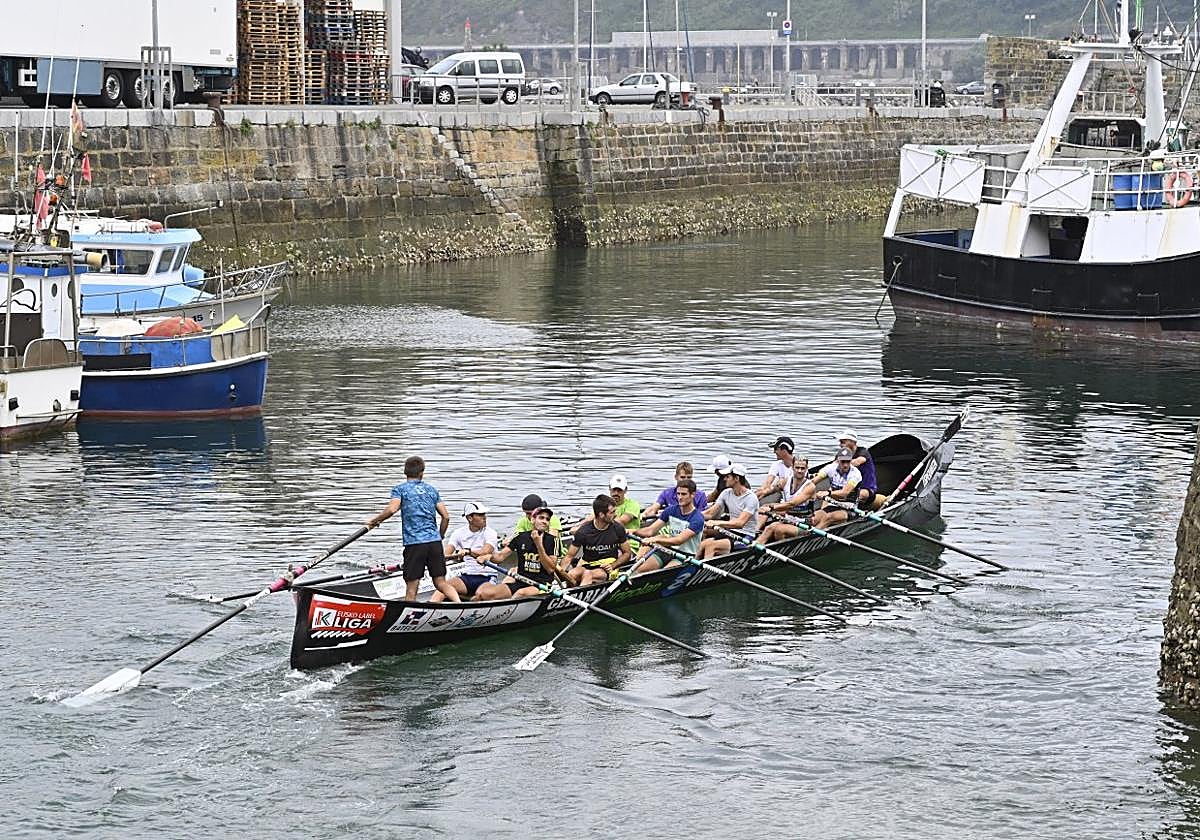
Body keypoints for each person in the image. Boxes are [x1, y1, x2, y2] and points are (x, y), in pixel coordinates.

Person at [366, 455, 458, 602]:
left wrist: (374, 521)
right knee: (440, 583)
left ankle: (410, 613)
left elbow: (391, 510)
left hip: (415, 544)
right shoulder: (431, 490)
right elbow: (446, 517)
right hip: (434, 543)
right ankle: (458, 605)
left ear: (405, 472)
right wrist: (439, 536)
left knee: (411, 587)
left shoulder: (400, 490)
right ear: (422, 472)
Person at [474, 505, 562, 600]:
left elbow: (550, 569)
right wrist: (489, 556)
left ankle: (506, 610)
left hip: (543, 586)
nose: (544, 521)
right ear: (532, 520)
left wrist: (539, 545)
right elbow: (500, 557)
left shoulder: (553, 540)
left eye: (547, 519)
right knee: (486, 594)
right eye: (541, 518)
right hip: (521, 581)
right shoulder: (520, 537)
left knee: (521, 593)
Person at [632, 478, 706, 572]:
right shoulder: (671, 510)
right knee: (640, 570)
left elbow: (678, 540)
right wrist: (633, 531)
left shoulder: (697, 518)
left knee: (664, 573)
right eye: (678, 494)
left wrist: (655, 539)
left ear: (692, 495)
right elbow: (650, 531)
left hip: (685, 556)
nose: (679, 497)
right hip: (667, 550)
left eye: (683, 494)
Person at [432, 502, 498, 602]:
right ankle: (428, 609)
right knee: (442, 588)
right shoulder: (458, 533)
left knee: (480, 595)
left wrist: (468, 552)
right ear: (469, 518)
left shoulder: (490, 533)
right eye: (480, 515)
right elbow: (446, 554)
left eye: (484, 514)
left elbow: (485, 551)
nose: (484, 517)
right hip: (468, 576)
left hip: (487, 576)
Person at [563, 494, 632, 586]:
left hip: (607, 567)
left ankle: (579, 595)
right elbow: (569, 557)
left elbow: (627, 554)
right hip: (587, 564)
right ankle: (571, 595)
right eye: (612, 512)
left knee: (588, 575)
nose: (615, 515)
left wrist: (613, 565)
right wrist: (560, 574)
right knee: (571, 574)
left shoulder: (618, 528)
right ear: (601, 515)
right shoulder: (583, 532)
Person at [697, 462, 760, 560]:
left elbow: (740, 523)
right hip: (729, 531)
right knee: (702, 542)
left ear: (736, 479)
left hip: (745, 535)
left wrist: (716, 523)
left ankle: (705, 572)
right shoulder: (726, 493)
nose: (724, 479)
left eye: (727, 476)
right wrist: (689, 516)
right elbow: (710, 513)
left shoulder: (751, 498)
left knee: (711, 546)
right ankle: (689, 568)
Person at [570, 474, 642, 533]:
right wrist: (578, 526)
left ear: (625, 490)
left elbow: (621, 522)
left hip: (629, 541)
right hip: (608, 540)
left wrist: (592, 528)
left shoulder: (633, 505)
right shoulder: (605, 503)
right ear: (609, 488)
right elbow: (592, 517)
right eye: (614, 490)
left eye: (619, 490)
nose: (616, 493)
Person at [642, 461, 708, 520]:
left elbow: (701, 516)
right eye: (682, 477)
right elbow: (654, 507)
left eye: (689, 477)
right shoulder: (667, 493)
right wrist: (645, 514)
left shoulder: (701, 495)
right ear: (676, 477)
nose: (686, 480)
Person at [836, 430, 880, 510]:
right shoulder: (841, 454)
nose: (840, 445)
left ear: (852, 442)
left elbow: (858, 462)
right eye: (840, 442)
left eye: (843, 442)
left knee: (858, 494)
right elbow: (832, 466)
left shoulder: (863, 452)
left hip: (866, 489)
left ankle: (851, 513)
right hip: (847, 488)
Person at [756, 435, 797, 503]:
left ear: (784, 450)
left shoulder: (799, 465)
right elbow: (768, 482)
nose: (774, 452)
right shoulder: (776, 464)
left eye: (776, 449)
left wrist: (766, 491)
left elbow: (783, 483)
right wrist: (761, 490)